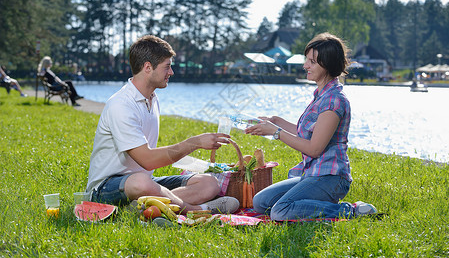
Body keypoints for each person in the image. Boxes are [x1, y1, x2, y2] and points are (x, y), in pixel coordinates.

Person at [85, 35, 239, 215]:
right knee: (141, 183)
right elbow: (147, 160)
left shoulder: (153, 99)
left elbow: (148, 166)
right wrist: (194, 142)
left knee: (209, 183)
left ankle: (145, 206)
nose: (171, 72)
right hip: (106, 187)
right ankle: (198, 210)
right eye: (167, 66)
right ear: (148, 67)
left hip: (145, 180)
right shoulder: (121, 105)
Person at [245, 32, 377, 221]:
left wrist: (275, 132)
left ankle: (350, 211)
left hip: (330, 178)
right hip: (312, 174)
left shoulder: (334, 100)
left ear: (328, 64)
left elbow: (314, 149)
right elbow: (306, 134)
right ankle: (313, 206)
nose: (305, 65)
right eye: (307, 60)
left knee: (280, 211)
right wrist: (275, 121)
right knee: (260, 202)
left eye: (312, 62)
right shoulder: (321, 95)